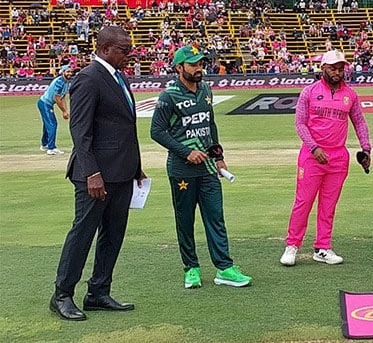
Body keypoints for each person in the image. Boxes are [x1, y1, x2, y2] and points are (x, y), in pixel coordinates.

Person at [51, 26, 146, 321]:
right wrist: (91, 172)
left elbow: (124, 127)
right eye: (123, 50)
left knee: (113, 235)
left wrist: (137, 166)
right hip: (95, 175)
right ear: (105, 49)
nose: (129, 55)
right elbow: (81, 131)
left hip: (122, 171)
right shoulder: (88, 79)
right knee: (83, 233)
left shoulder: (119, 77)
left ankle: (98, 292)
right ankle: (62, 295)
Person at [150, 45, 252, 289]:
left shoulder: (206, 89)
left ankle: (225, 268)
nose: (199, 68)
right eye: (193, 64)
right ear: (179, 67)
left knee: (216, 218)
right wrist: (186, 152)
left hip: (207, 169)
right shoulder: (169, 96)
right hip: (181, 170)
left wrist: (218, 156)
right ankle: (191, 268)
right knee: (185, 221)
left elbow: (209, 124)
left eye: (201, 64)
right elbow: (156, 131)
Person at [280, 50, 372, 266]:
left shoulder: (351, 94)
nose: (337, 72)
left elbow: (359, 122)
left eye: (341, 68)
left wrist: (366, 148)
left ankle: (322, 247)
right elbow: (300, 124)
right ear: (323, 68)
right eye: (333, 68)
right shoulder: (309, 92)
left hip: (338, 157)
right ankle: (292, 245)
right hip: (312, 157)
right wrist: (314, 148)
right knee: (303, 202)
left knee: (328, 205)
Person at [38, 65, 73, 155]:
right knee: (52, 124)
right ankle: (51, 148)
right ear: (63, 72)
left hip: (47, 104)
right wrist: (64, 111)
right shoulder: (59, 82)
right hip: (45, 103)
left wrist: (66, 110)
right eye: (67, 72)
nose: (70, 73)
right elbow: (57, 98)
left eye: (70, 72)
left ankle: (44, 144)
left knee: (47, 125)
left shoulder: (67, 82)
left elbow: (63, 97)